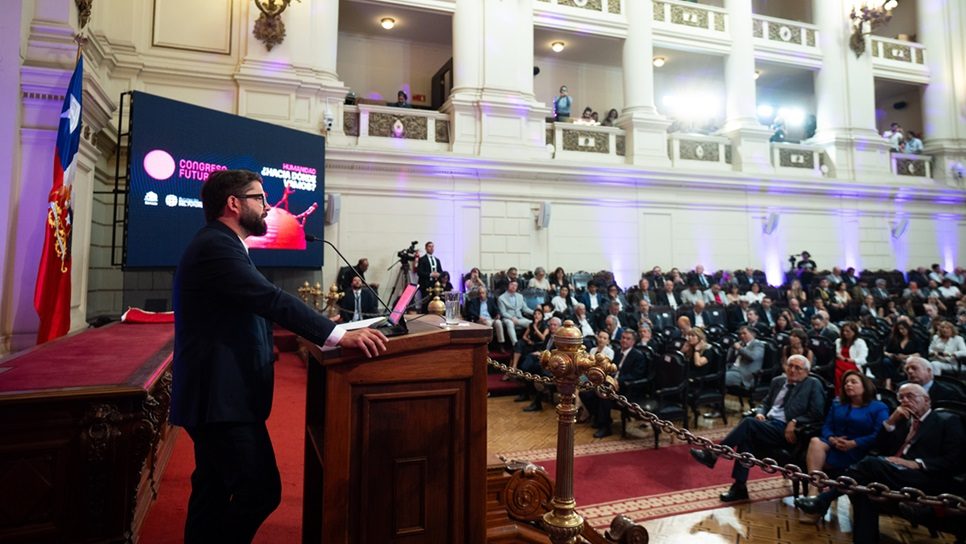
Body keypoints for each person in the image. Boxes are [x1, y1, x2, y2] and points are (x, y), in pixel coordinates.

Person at [171, 169, 387, 543]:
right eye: (260, 198)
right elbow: (269, 299)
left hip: (220, 398)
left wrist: (326, 327)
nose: (268, 207)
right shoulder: (216, 246)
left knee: (213, 491)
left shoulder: (223, 244)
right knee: (260, 490)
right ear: (234, 203)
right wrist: (335, 334)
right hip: (219, 401)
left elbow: (251, 307)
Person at [795, 383, 965, 543]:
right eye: (901, 398)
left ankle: (823, 499)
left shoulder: (946, 420)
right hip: (894, 473)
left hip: (926, 477)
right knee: (863, 489)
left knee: (870, 464)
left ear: (927, 400)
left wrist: (917, 463)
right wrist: (891, 421)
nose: (905, 401)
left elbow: (955, 460)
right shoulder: (904, 421)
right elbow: (880, 447)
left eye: (910, 396)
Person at [690, 354, 826, 502]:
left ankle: (714, 453)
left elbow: (817, 413)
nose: (792, 370)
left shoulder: (812, 384)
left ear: (806, 371)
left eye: (797, 368)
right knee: (746, 439)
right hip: (768, 424)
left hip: (787, 431)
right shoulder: (778, 381)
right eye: (790, 366)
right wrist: (761, 413)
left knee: (748, 424)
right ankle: (740, 487)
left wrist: (795, 421)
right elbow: (765, 404)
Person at [804, 371, 889, 484]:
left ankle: (823, 487)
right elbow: (827, 426)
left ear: (865, 386)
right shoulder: (837, 404)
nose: (848, 385)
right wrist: (832, 439)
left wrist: (854, 443)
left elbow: (878, 434)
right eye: (846, 383)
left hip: (858, 447)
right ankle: (813, 486)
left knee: (818, 458)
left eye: (853, 382)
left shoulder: (879, 407)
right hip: (834, 443)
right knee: (815, 441)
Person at [579, 330, 648, 438]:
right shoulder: (617, 351)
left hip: (626, 387)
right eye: (623, 337)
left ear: (633, 342)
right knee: (585, 393)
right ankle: (599, 417)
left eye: (628, 338)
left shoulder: (638, 355)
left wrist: (618, 381)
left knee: (604, 396)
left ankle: (606, 427)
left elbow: (636, 375)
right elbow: (611, 369)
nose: (624, 340)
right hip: (610, 383)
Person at [881, 320, 921, 390]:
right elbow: (886, 352)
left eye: (903, 328)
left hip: (909, 359)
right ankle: (888, 384)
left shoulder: (915, 339)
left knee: (908, 363)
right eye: (899, 329)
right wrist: (893, 355)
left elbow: (919, 354)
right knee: (886, 361)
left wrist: (906, 356)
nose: (901, 331)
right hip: (895, 360)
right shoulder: (894, 339)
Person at [833, 322, 868, 393]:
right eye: (843, 331)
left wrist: (846, 359)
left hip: (853, 365)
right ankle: (838, 394)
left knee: (837, 369)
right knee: (836, 371)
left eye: (848, 331)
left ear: (854, 332)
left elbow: (862, 360)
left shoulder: (860, 342)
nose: (845, 333)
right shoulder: (838, 341)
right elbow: (836, 353)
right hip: (839, 363)